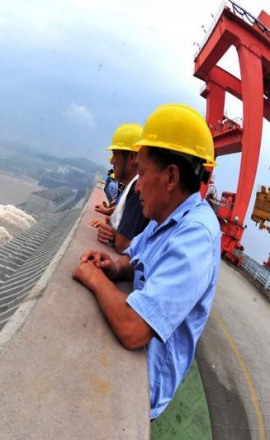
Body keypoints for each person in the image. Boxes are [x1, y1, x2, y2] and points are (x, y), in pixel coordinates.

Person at [73, 104, 221, 420]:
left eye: (141, 174)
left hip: (145, 387)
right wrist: (113, 268)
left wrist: (94, 278)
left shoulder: (196, 236)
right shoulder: (164, 216)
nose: (136, 186)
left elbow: (133, 329)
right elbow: (135, 257)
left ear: (170, 177)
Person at [91, 123, 149, 253]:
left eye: (115, 154)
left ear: (133, 157)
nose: (111, 161)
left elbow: (123, 245)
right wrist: (110, 222)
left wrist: (113, 235)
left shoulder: (137, 188)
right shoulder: (132, 186)